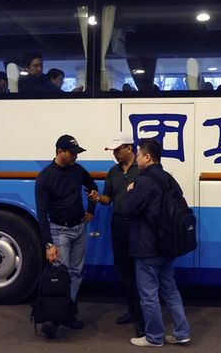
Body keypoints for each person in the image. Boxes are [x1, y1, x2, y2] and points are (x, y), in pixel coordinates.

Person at [122, 139, 191, 347]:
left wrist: (130, 191)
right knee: (170, 290)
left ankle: (153, 337)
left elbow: (127, 210)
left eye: (139, 154)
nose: (137, 158)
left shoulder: (143, 182)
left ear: (147, 157)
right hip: (168, 245)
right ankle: (182, 332)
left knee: (149, 295)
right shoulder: (169, 179)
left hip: (147, 248)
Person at [35, 134, 98, 338]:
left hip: (79, 228)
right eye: (72, 154)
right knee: (60, 276)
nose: (75, 157)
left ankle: (68, 314)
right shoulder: (45, 178)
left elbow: (93, 187)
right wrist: (48, 244)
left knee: (75, 274)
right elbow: (42, 214)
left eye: (76, 153)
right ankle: (53, 319)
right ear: (59, 152)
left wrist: (92, 209)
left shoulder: (77, 170)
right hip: (59, 231)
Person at [88, 133, 144, 336]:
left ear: (129, 148)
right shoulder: (113, 172)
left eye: (118, 150)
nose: (115, 154)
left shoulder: (142, 169)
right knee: (124, 271)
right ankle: (131, 310)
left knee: (141, 272)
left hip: (138, 225)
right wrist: (97, 197)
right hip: (119, 224)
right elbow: (107, 199)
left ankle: (142, 317)